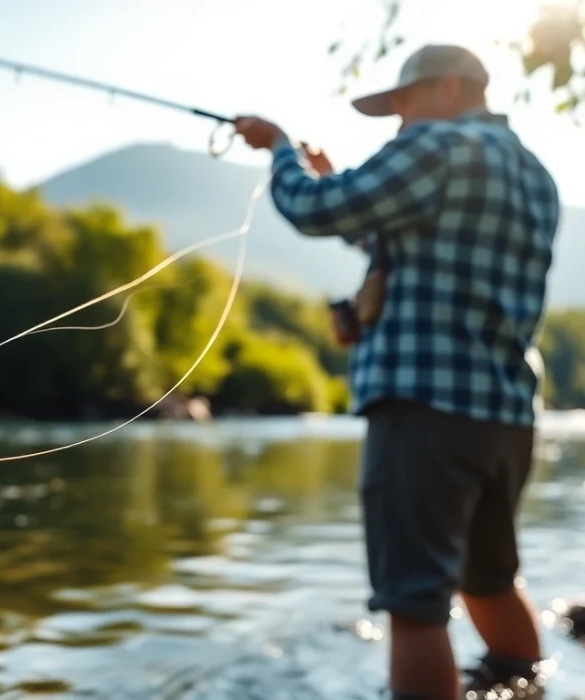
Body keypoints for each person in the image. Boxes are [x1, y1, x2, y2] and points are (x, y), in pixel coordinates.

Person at [232, 44, 562, 700]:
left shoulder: (436, 144)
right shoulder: (535, 173)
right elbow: (435, 244)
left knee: (415, 606)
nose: (399, 121)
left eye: (402, 103)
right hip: (504, 416)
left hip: (424, 410)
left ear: (445, 88)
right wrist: (342, 183)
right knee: (491, 580)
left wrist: (278, 150)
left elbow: (314, 210)